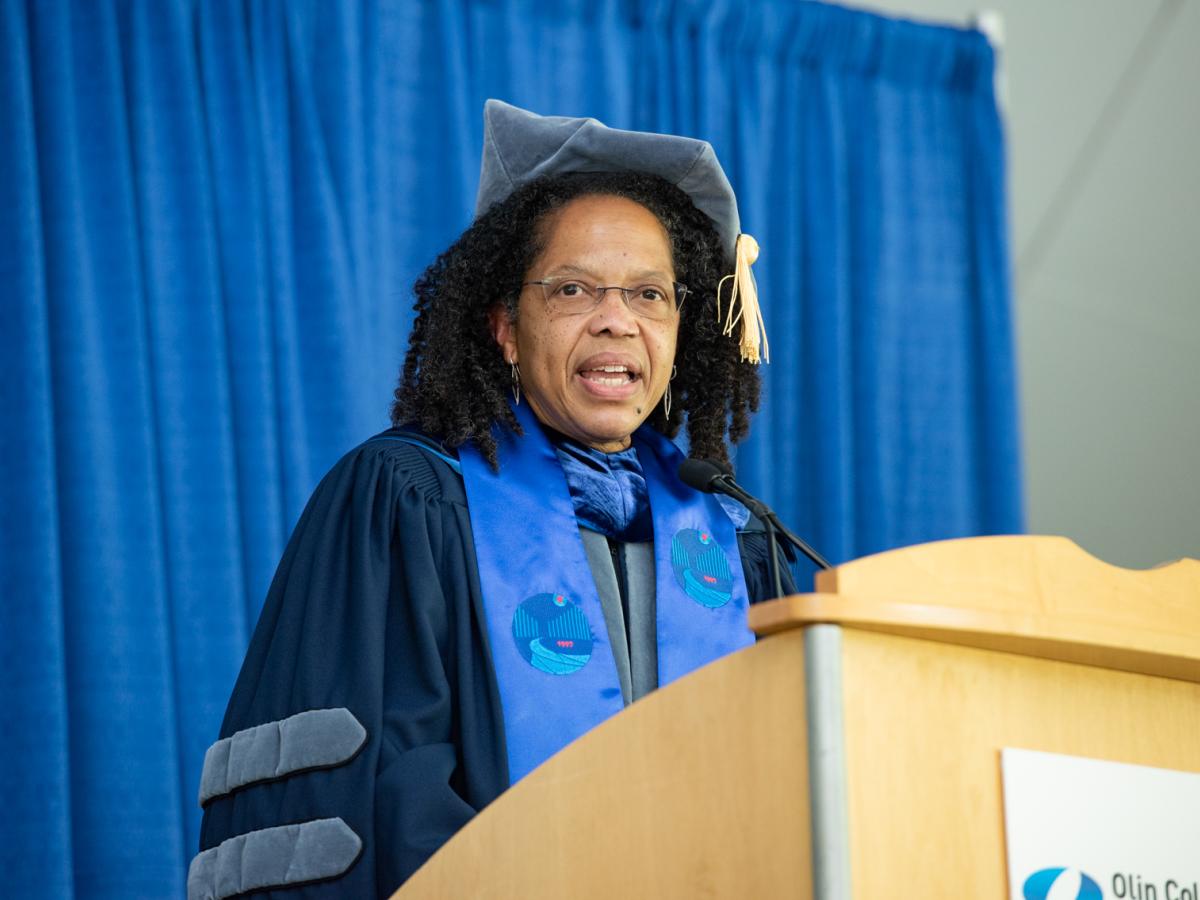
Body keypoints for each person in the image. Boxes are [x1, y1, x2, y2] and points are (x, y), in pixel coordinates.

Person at [189, 100, 795, 900]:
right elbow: (374, 800)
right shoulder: (409, 503)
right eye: (575, 289)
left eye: (649, 295)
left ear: (682, 329)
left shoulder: (732, 534)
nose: (617, 323)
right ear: (506, 327)